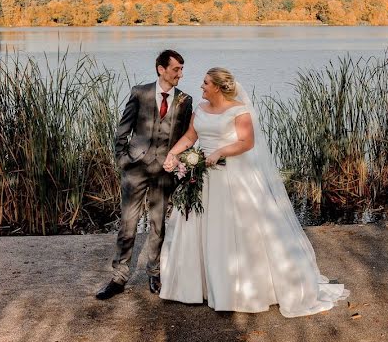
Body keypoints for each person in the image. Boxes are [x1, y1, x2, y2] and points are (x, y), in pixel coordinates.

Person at [159, 67, 349, 317]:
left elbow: (246, 143)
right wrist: (173, 154)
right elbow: (190, 137)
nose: (201, 86)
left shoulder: (239, 111)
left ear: (217, 86)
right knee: (201, 229)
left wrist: (220, 152)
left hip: (232, 178)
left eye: (205, 83)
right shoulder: (200, 111)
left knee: (235, 231)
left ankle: (239, 289)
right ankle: (200, 287)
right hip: (203, 179)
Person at [96, 50, 194, 300]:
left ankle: (154, 273)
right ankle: (119, 277)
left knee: (158, 225)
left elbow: (186, 138)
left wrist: (179, 164)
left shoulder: (185, 100)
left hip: (165, 172)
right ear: (161, 69)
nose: (180, 74)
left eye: (182, 69)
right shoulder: (140, 92)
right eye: (176, 69)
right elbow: (123, 130)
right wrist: (123, 160)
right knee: (128, 223)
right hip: (135, 168)